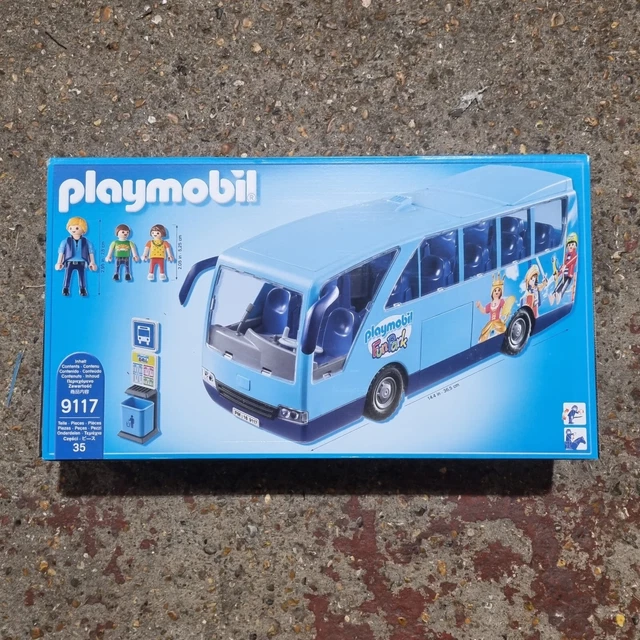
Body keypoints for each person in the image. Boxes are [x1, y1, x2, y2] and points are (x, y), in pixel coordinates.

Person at [55, 216, 97, 296]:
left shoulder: (86, 241)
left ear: (83, 229)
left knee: (82, 276)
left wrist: (92, 262)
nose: (73, 230)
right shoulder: (65, 241)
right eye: (71, 228)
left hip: (81, 262)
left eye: (77, 228)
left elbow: (91, 252)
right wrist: (59, 262)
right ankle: (66, 288)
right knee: (67, 276)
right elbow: (61, 251)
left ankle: (82, 289)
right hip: (69, 262)